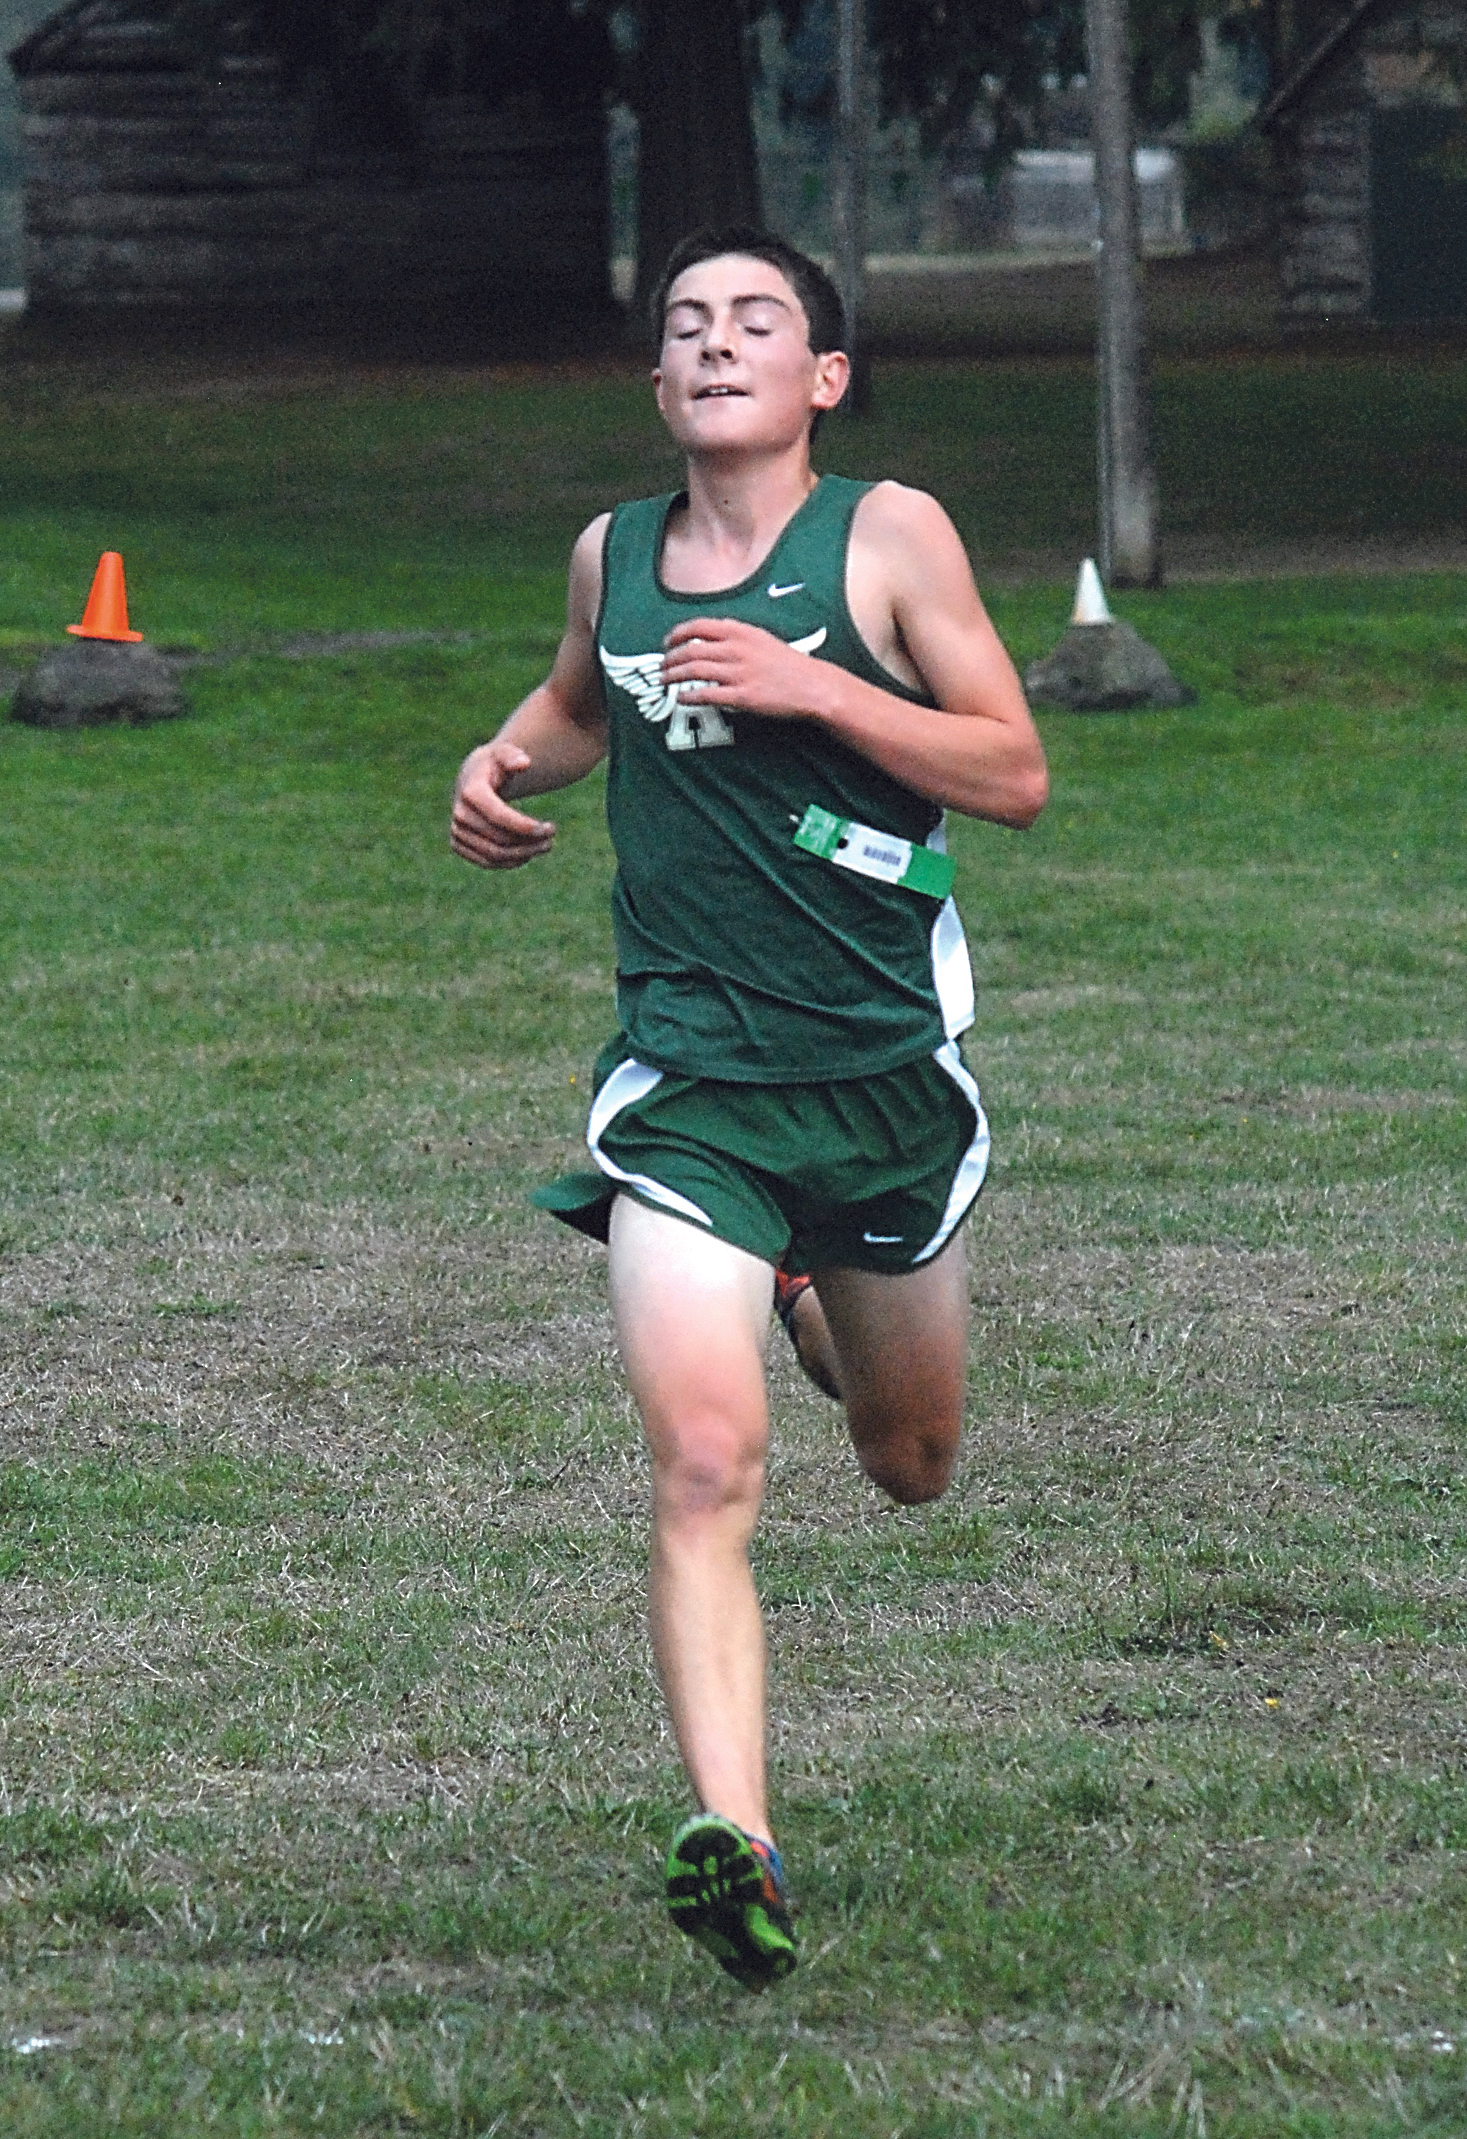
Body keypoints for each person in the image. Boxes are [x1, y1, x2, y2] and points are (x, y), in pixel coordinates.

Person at [450, 226, 1048, 1992]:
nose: (717, 344)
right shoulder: (611, 556)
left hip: (879, 1085)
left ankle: (812, 1295)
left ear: (822, 380)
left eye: (757, 321)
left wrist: (819, 687)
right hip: (688, 1086)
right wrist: (497, 767)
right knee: (706, 1467)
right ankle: (737, 1837)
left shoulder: (888, 534)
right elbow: (581, 701)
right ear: (659, 383)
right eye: (687, 324)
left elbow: (1012, 771)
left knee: (908, 1462)